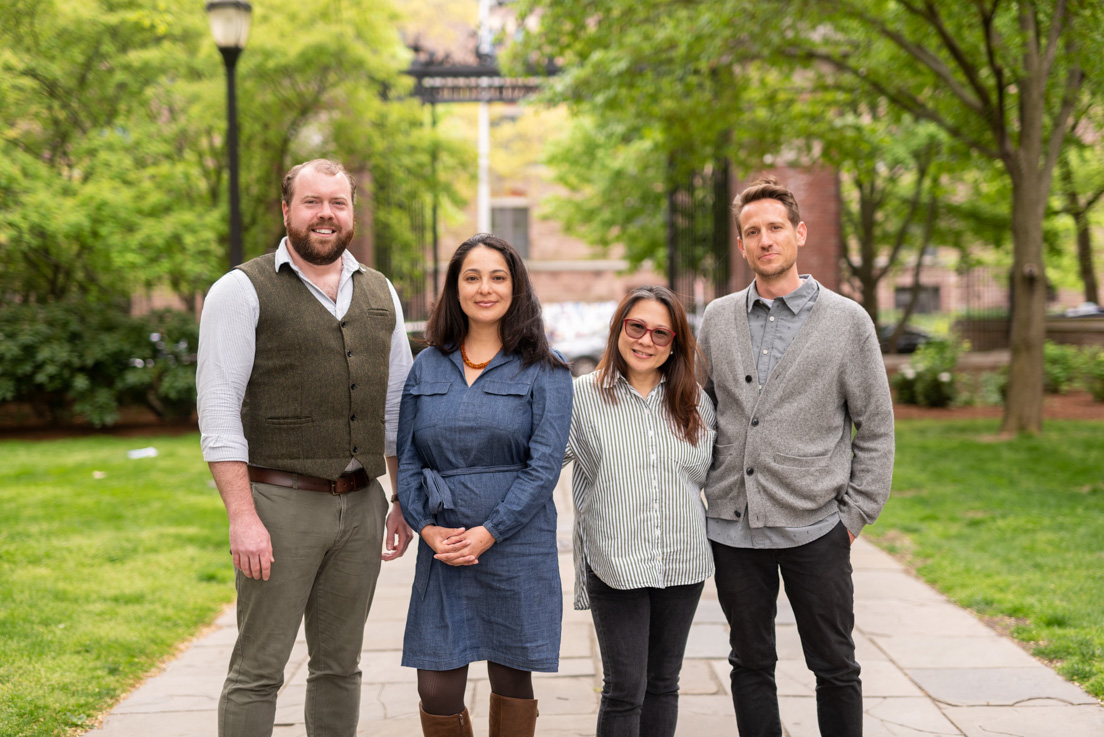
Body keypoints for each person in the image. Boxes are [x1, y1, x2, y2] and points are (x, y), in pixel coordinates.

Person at [197, 158, 415, 737]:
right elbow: (218, 412)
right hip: (278, 504)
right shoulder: (240, 290)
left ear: (351, 212)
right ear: (287, 210)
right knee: (258, 670)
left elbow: (395, 408)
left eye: (337, 203)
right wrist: (242, 518)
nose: (326, 215)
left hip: (362, 502)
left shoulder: (380, 290)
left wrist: (399, 499)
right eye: (313, 203)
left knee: (341, 667)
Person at [698, 176, 895, 737]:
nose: (765, 240)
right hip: (734, 531)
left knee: (834, 665)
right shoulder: (717, 319)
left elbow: (876, 426)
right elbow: (702, 412)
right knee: (750, 662)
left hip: (816, 529)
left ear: (799, 233)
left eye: (775, 228)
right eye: (752, 231)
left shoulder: (847, 322)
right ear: (741, 245)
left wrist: (853, 517)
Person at [396, 234, 573, 737]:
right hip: (446, 547)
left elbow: (544, 469)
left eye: (498, 277)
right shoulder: (427, 364)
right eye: (471, 277)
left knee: (513, 679)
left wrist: (490, 531)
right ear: (455, 288)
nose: (484, 288)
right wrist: (426, 529)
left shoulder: (547, 369)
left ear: (516, 288)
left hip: (516, 545)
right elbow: (407, 459)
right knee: (436, 687)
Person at [565, 285, 716, 737]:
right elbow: (535, 465)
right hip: (615, 563)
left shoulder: (695, 403)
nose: (646, 340)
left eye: (661, 333)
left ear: (675, 345)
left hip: (682, 562)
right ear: (618, 330)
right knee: (625, 687)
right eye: (637, 327)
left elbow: (717, 479)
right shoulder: (580, 398)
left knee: (663, 684)